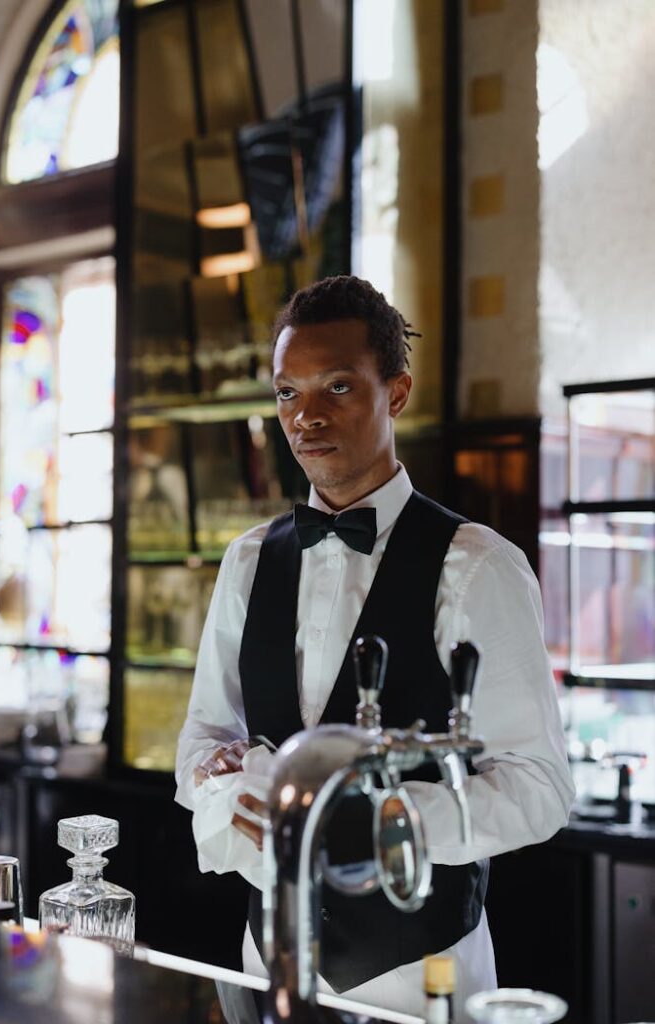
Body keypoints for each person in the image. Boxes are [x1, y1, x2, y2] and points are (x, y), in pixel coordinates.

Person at [175, 275, 574, 1022]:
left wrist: (384, 825)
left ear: (395, 393)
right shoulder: (248, 560)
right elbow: (202, 740)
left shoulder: (477, 565)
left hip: (420, 975)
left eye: (336, 387)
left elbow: (539, 787)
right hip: (269, 958)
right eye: (288, 393)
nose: (306, 417)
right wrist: (224, 794)